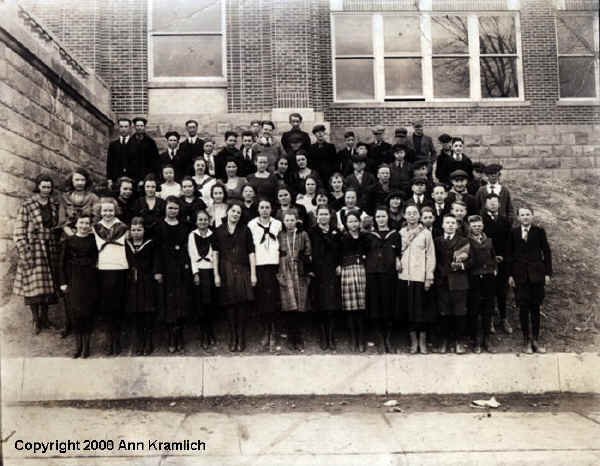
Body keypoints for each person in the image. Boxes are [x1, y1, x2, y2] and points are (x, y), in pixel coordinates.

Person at [13, 174, 60, 335]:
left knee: (48, 285)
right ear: (38, 187)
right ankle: (35, 319)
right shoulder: (28, 205)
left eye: (49, 187)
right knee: (34, 284)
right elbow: (19, 228)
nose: (46, 190)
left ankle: (46, 318)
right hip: (34, 247)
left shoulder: (54, 204)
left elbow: (55, 226)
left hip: (50, 246)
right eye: (43, 186)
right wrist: (23, 247)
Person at [507, 206, 552, 354]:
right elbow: (509, 255)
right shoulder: (513, 233)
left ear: (532, 216)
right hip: (520, 276)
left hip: (537, 275)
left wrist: (547, 273)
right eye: (522, 215)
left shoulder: (539, 232)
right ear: (518, 217)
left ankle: (536, 340)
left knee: (535, 307)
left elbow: (546, 252)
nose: (525, 217)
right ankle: (526, 340)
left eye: (528, 215)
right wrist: (510, 275)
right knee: (523, 307)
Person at [213, 202, 257, 352]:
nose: (235, 214)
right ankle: (233, 337)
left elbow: (251, 252)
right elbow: (215, 253)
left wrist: (253, 274)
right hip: (225, 270)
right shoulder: (218, 230)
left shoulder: (245, 230)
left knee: (242, 304)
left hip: (242, 269)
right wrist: (216, 274)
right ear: (228, 212)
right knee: (229, 305)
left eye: (238, 212)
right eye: (233, 211)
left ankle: (241, 337)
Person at [155, 197, 192, 353]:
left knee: (181, 302)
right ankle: (171, 337)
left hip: (181, 269)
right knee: (168, 304)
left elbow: (186, 248)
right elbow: (156, 250)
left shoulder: (184, 226)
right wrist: (157, 270)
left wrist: (186, 266)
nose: (173, 211)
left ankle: (180, 337)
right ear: (165, 208)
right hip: (166, 269)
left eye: (175, 208)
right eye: (170, 208)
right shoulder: (159, 226)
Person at [58, 213, 98, 358]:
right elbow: (61, 264)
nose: (84, 226)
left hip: (90, 280)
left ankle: (86, 347)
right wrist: (63, 282)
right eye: (81, 223)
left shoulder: (94, 240)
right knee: (76, 314)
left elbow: (97, 260)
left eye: (87, 223)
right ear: (76, 225)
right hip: (74, 280)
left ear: (90, 226)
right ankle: (78, 346)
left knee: (87, 313)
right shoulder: (69, 241)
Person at [93, 197, 129, 356]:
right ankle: (109, 341)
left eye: (110, 210)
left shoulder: (123, 228)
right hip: (103, 268)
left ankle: (118, 340)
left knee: (118, 304)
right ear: (100, 212)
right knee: (106, 306)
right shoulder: (95, 228)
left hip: (120, 267)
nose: (108, 213)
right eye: (105, 210)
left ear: (115, 211)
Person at [399, 204, 436, 354]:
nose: (412, 216)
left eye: (415, 213)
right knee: (409, 310)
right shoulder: (400, 233)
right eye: (409, 213)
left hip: (420, 277)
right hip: (405, 277)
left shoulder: (426, 233)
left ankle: (422, 341)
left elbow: (430, 255)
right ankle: (413, 341)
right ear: (404, 216)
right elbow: (396, 252)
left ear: (419, 216)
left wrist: (429, 276)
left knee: (422, 311)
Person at [365, 207, 402, 353]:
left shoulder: (395, 235)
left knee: (388, 304)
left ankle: (388, 338)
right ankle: (379, 338)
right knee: (375, 305)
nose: (381, 219)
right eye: (378, 216)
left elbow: (398, 252)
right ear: (375, 218)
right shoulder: (369, 236)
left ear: (388, 217)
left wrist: (398, 260)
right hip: (373, 273)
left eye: (383, 216)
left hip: (389, 273)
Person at [248, 200, 283, 351]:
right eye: (261, 207)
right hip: (260, 266)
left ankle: (273, 332)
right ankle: (265, 331)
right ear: (258, 209)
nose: (264, 210)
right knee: (262, 300)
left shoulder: (277, 224)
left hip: (274, 265)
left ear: (271, 209)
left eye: (267, 207)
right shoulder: (251, 225)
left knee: (274, 299)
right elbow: (251, 248)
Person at [434, 215, 471, 354]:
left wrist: (461, 265)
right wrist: (440, 271)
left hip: (459, 282)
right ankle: (444, 340)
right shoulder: (437, 241)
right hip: (442, 282)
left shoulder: (464, 241)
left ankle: (459, 341)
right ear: (442, 225)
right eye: (447, 223)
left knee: (459, 312)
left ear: (457, 226)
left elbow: (471, 261)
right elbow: (433, 259)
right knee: (444, 312)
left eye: (452, 223)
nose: (450, 225)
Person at [277, 211, 312, 350]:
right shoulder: (281, 235)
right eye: (287, 220)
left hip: (300, 270)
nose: (290, 222)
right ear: (283, 222)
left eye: (292, 220)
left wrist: (305, 264)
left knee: (299, 304)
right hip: (285, 271)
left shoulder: (302, 234)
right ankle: (291, 337)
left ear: (296, 221)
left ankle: (299, 337)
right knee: (288, 304)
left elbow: (309, 252)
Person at [125, 217, 159, 356]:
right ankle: (139, 343)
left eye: (139, 230)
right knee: (136, 314)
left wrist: (156, 273)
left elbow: (156, 260)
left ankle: (148, 342)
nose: (136, 232)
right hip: (132, 283)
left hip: (147, 281)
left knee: (147, 313)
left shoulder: (150, 244)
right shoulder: (127, 244)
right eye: (133, 230)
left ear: (144, 230)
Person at [309, 205, 341, 350]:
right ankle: (323, 336)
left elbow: (341, 251)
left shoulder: (336, 232)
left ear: (330, 215)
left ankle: (331, 336)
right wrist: (310, 269)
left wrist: (339, 264)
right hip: (318, 272)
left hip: (332, 271)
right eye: (320, 214)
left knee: (332, 305)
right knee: (320, 305)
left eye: (326, 214)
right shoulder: (312, 232)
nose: (323, 217)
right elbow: (307, 252)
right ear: (316, 216)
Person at [481, 193, 513, 335]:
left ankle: (504, 318)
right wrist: (492, 257)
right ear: (485, 204)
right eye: (490, 202)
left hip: (503, 260)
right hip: (487, 260)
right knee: (489, 291)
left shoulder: (505, 221)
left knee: (502, 290)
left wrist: (503, 256)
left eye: (495, 202)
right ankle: (490, 320)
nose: (493, 204)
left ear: (500, 205)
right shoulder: (481, 220)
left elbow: (509, 241)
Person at [467, 215, 497, 353]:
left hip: (488, 278)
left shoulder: (489, 240)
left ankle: (487, 340)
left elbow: (493, 256)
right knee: (475, 309)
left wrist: (494, 268)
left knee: (488, 308)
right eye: (474, 226)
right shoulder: (466, 241)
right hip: (474, 278)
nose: (477, 228)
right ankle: (476, 341)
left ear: (482, 226)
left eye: (479, 225)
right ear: (470, 227)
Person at [188, 210, 217, 350]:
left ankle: (210, 331)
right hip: (199, 271)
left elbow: (215, 253)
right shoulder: (192, 235)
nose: (203, 222)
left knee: (210, 303)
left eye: (205, 220)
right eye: (200, 220)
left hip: (211, 270)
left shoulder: (213, 234)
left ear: (209, 221)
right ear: (196, 221)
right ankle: (203, 334)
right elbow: (192, 256)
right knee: (201, 304)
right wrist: (195, 273)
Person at [339, 212, 368, 352]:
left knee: (361, 306)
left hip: (361, 270)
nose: (353, 224)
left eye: (355, 221)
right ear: (346, 223)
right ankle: (353, 339)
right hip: (348, 271)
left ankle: (362, 338)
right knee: (350, 307)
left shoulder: (364, 237)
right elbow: (338, 254)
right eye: (350, 221)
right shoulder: (342, 237)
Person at [58, 169, 99, 236]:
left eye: (82, 180)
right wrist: (73, 236)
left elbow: (96, 219)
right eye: (77, 180)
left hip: (88, 234)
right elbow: (62, 220)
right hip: (68, 234)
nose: (80, 183)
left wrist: (84, 233)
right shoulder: (65, 197)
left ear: (86, 181)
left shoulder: (93, 198)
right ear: (72, 181)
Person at [344, 147, 378, 214]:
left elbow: (374, 192)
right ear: (353, 165)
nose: (358, 165)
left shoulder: (370, 177)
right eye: (356, 163)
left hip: (369, 207)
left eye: (361, 163)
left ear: (364, 164)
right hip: (354, 208)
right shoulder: (348, 178)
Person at [132, 175, 166, 239]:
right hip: (142, 236)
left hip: (159, 235)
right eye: (147, 187)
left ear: (156, 188)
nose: (150, 189)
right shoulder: (138, 202)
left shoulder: (162, 203)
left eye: (153, 187)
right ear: (144, 187)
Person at [129, 117, 160, 186]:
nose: (139, 128)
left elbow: (155, 161)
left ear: (144, 127)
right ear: (134, 127)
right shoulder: (130, 142)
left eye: (141, 126)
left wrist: (148, 177)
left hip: (147, 176)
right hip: (132, 177)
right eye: (137, 126)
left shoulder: (151, 142)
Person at [106, 118, 134, 190]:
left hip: (133, 180)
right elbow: (109, 163)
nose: (123, 129)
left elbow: (141, 164)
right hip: (116, 180)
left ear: (130, 128)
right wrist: (109, 179)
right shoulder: (113, 145)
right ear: (118, 128)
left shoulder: (137, 144)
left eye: (126, 127)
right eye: (121, 127)